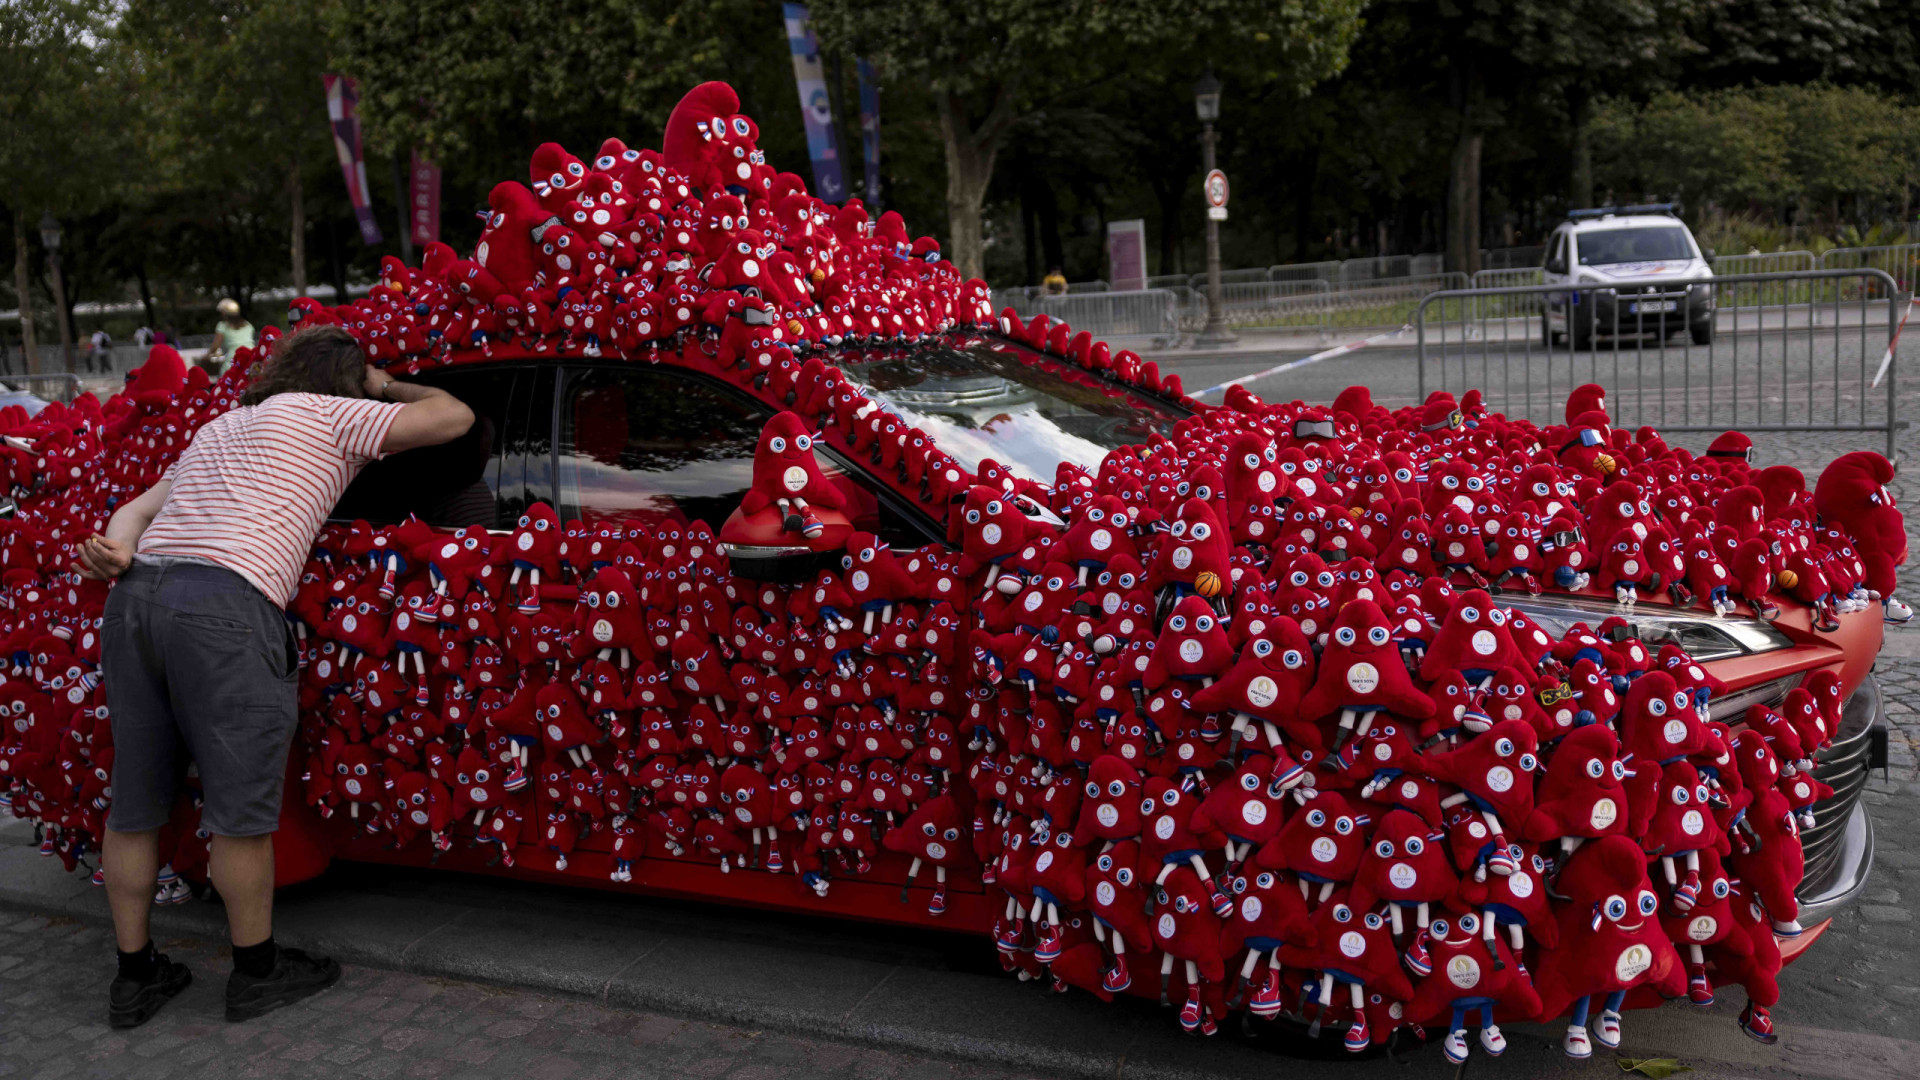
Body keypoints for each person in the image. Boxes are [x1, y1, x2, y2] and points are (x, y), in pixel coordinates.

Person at [74, 324, 475, 1029]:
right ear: (347, 382)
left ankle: (133, 980)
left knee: (135, 803)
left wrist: (116, 550)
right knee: (238, 815)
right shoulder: (331, 413)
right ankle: (257, 972)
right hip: (225, 605)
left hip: (136, 599)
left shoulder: (224, 423)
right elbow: (455, 416)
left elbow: (135, 512)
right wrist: (381, 385)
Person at [203, 298, 254, 375]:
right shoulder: (248, 325)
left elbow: (216, 346)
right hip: (251, 358)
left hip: (234, 359)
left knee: (223, 376)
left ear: (224, 313)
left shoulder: (222, 326)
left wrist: (206, 356)